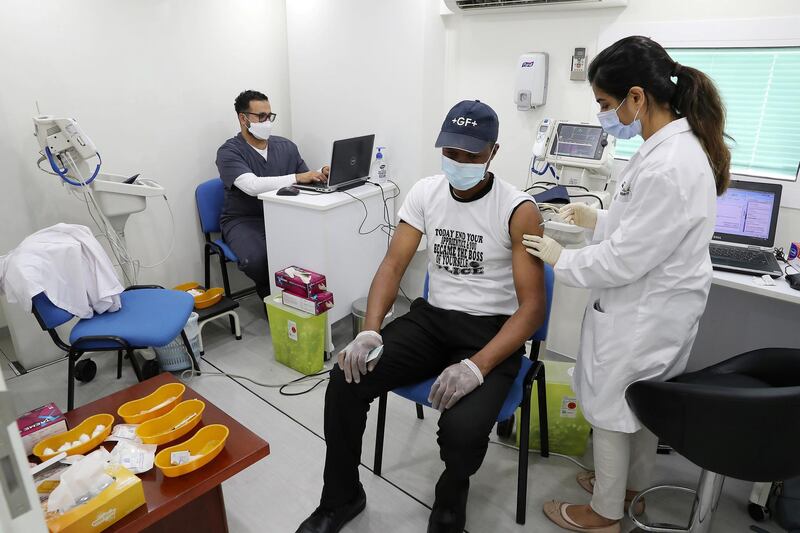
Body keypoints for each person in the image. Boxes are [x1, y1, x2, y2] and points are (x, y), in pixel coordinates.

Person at [295, 100, 547, 533]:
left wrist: (477, 365)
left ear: (494, 152)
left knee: (462, 430)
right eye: (451, 153)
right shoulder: (426, 192)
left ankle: (451, 494)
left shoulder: (517, 208)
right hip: (431, 321)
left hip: (491, 332)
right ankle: (341, 497)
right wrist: (370, 332)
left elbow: (532, 307)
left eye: (471, 155)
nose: (459, 163)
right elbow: (393, 265)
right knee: (345, 381)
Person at [523, 36, 731, 533]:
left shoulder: (670, 163)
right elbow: (638, 221)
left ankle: (605, 514)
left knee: (614, 406)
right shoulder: (665, 148)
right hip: (658, 305)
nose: (602, 114)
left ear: (636, 98)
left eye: (604, 104)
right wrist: (595, 216)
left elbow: (623, 261)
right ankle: (629, 486)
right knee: (638, 403)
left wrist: (560, 258)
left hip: (644, 311)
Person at [215, 90, 329, 298]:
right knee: (258, 258)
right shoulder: (229, 152)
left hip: (282, 214)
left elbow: (305, 179)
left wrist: (321, 175)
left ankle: (302, 297)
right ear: (243, 118)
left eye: (270, 116)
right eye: (261, 117)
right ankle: (272, 296)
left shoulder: (286, 147)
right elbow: (251, 185)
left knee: (313, 244)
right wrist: (297, 177)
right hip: (245, 220)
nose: (267, 121)